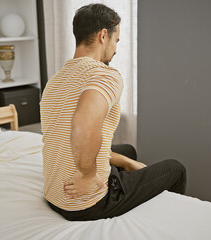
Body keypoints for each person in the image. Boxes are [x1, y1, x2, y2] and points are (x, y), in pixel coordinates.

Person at [40, 3, 186, 221]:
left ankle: (121, 167)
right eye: (116, 41)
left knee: (127, 151)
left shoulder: (55, 80)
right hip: (84, 203)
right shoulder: (104, 75)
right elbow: (83, 124)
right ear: (103, 35)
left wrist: (126, 162)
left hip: (54, 194)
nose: (116, 49)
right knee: (176, 169)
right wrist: (88, 175)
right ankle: (165, 225)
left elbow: (65, 134)